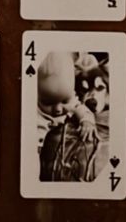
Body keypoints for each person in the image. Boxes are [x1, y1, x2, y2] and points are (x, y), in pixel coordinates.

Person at [36, 51, 98, 181]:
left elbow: (81, 108)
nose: (58, 109)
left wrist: (87, 121)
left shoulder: (71, 100)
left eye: (64, 101)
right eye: (48, 103)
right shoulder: (34, 112)